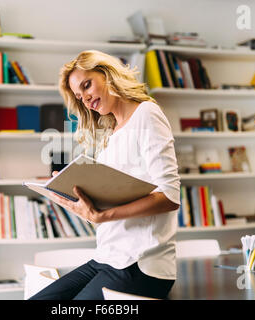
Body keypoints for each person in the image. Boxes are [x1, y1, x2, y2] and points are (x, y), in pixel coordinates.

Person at [29, 50, 180, 300]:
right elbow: (113, 200)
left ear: (107, 73)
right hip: (106, 257)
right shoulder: (111, 133)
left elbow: (170, 196)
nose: (86, 99)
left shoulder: (146, 114)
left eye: (87, 85)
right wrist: (75, 198)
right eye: (79, 96)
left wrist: (103, 215)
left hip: (141, 264)